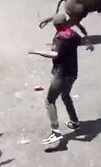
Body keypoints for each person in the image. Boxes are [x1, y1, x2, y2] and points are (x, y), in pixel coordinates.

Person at [28, 12, 94, 145]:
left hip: (61, 74)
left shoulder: (60, 38)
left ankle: (55, 132)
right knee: (65, 96)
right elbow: (83, 40)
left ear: (57, 26)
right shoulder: (73, 34)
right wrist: (89, 45)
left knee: (50, 101)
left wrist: (36, 51)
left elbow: (54, 54)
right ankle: (75, 123)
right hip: (72, 73)